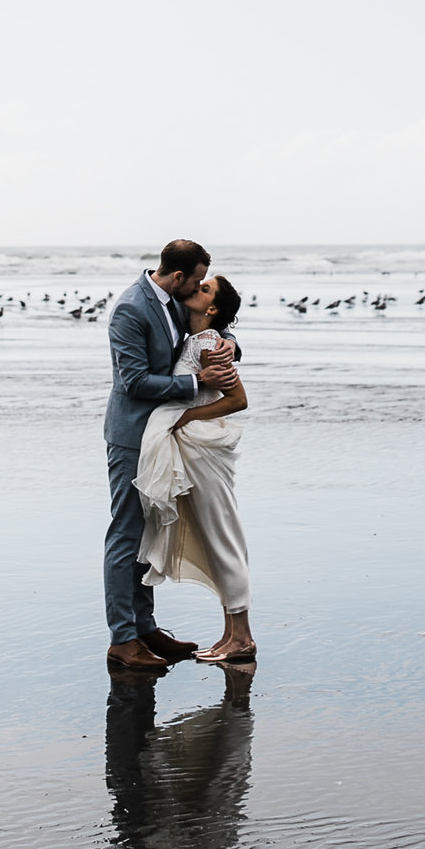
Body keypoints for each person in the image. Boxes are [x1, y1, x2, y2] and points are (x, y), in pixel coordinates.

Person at [101, 241, 239, 670]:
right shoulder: (131, 309)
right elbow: (134, 382)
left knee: (147, 532)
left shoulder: (176, 302)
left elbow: (208, 326)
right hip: (131, 436)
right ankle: (123, 639)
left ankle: (145, 627)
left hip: (162, 436)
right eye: (197, 281)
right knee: (126, 533)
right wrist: (196, 382)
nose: (199, 288)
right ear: (178, 277)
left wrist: (230, 342)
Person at [136, 272, 257, 662]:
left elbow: (238, 399)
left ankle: (242, 638)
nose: (195, 288)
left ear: (213, 308)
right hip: (194, 449)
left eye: (205, 288)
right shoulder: (198, 338)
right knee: (215, 537)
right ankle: (230, 635)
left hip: (203, 450)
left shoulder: (208, 344)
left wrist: (188, 416)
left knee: (223, 537)